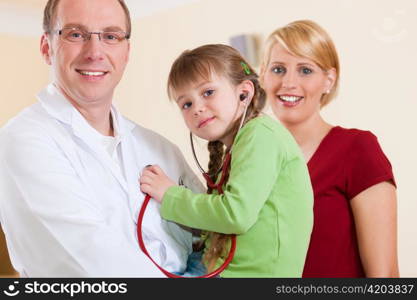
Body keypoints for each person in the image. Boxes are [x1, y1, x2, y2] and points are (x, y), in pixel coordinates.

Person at [0, 0, 204, 277]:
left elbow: (214, 235)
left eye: (111, 36)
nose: (95, 52)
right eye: (75, 34)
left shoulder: (160, 149)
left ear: (126, 52)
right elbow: (90, 264)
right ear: (47, 48)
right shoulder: (23, 140)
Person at [140, 44, 314, 277]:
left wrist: (170, 195)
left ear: (244, 93)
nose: (197, 109)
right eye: (186, 104)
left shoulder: (261, 135)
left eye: (208, 92)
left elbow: (235, 215)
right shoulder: (242, 144)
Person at [260, 20, 399, 277]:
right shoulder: (248, 159)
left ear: (329, 79)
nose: (289, 83)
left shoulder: (357, 149)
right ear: (262, 76)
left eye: (305, 70)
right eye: (278, 69)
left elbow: (385, 277)